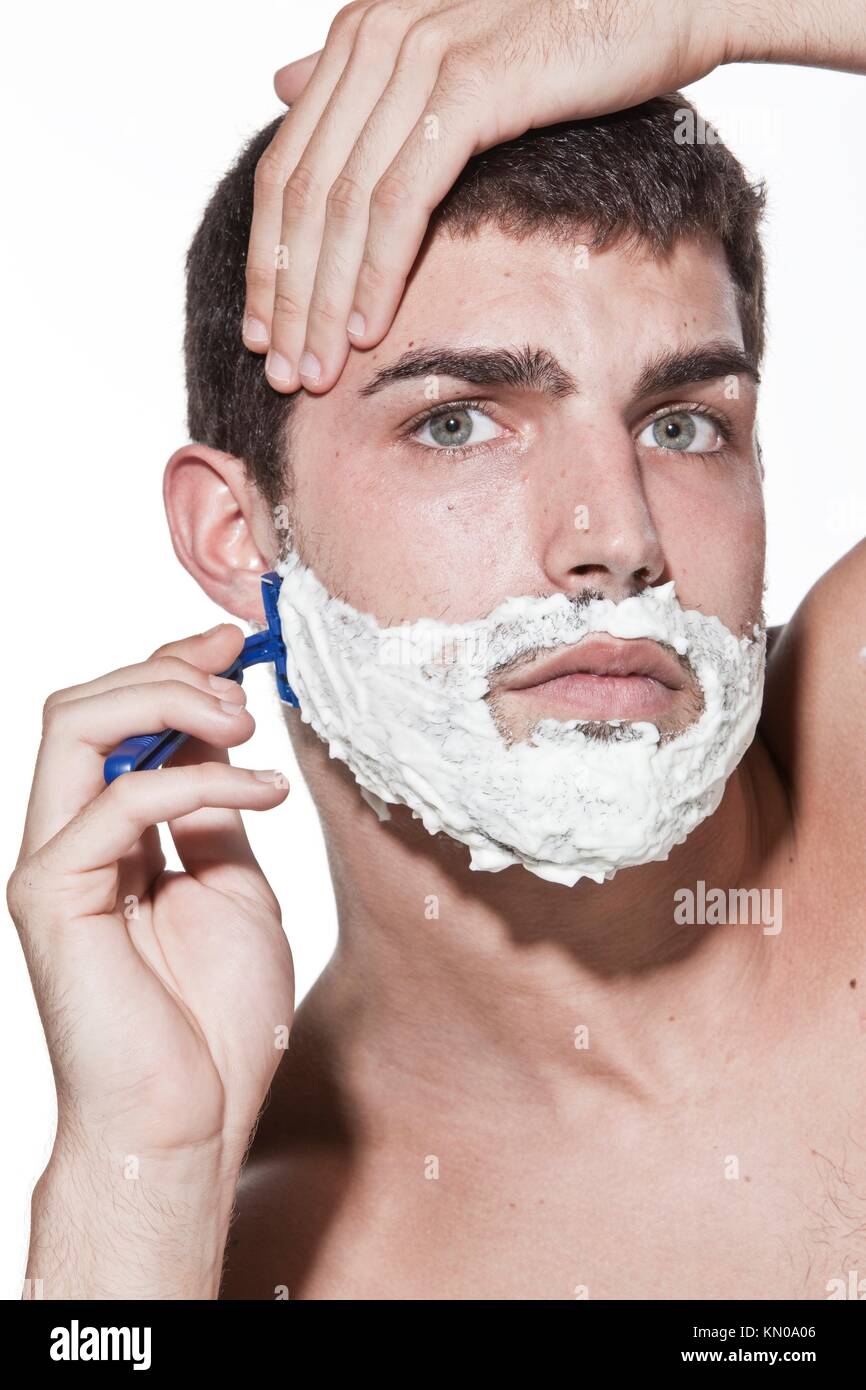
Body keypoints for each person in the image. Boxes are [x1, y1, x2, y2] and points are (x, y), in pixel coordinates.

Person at [9, 0, 865, 1300]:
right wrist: (135, 1191)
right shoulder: (247, 1250)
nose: (615, 538)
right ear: (243, 538)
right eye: (460, 422)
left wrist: (703, 11)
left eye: (682, 423)